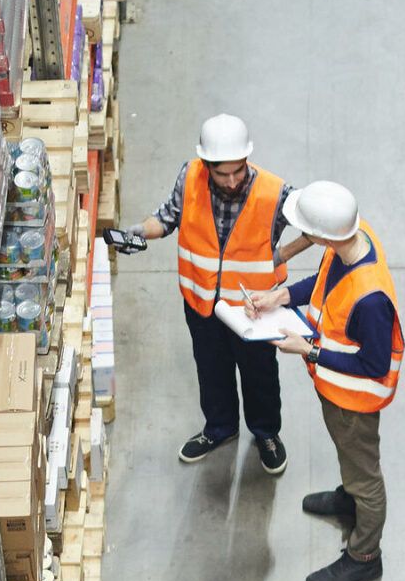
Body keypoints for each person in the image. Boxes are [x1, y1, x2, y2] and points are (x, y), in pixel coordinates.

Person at [106, 114, 310, 472]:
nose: (231, 181)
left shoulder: (274, 192)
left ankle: (265, 433)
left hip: (253, 309)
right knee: (211, 370)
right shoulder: (191, 177)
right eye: (222, 173)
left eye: (238, 171)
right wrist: (140, 231)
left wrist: (281, 254)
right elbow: (167, 218)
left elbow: (318, 223)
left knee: (259, 374)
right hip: (201, 302)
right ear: (207, 164)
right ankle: (220, 428)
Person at [244, 180, 401, 581]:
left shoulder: (370, 300)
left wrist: (309, 350)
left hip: (355, 400)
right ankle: (348, 500)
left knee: (365, 476)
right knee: (351, 460)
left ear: (326, 235)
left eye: (306, 232)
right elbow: (324, 280)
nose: (303, 238)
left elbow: (373, 365)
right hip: (336, 393)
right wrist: (281, 296)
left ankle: (365, 556)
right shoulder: (354, 236)